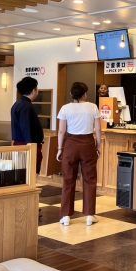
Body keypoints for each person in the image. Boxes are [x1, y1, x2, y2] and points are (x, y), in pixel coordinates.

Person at [56, 82, 102, 226]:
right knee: (90, 179)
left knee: (68, 179)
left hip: (70, 144)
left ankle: (65, 216)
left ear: (71, 94)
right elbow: (98, 130)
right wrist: (98, 146)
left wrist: (59, 148)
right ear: (85, 94)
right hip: (88, 144)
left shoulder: (65, 108)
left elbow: (61, 131)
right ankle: (89, 215)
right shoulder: (93, 107)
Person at [11, 77, 44, 175]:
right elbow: (26, 128)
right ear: (33, 90)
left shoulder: (17, 104)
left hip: (19, 144)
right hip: (28, 145)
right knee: (29, 174)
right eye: (36, 89)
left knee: (21, 173)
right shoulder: (26, 106)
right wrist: (30, 146)